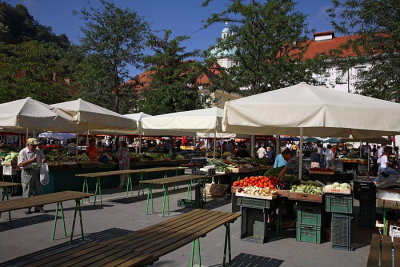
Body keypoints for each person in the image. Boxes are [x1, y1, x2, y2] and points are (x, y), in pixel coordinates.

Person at [17, 138, 46, 214]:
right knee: (27, 191)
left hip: (37, 171)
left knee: (38, 191)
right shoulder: (23, 152)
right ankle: (27, 208)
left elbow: (43, 158)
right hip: (27, 172)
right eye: (33, 146)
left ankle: (39, 207)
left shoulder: (38, 151)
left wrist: (43, 160)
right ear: (28, 145)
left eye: (35, 145)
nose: (35, 147)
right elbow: (20, 164)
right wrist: (31, 160)